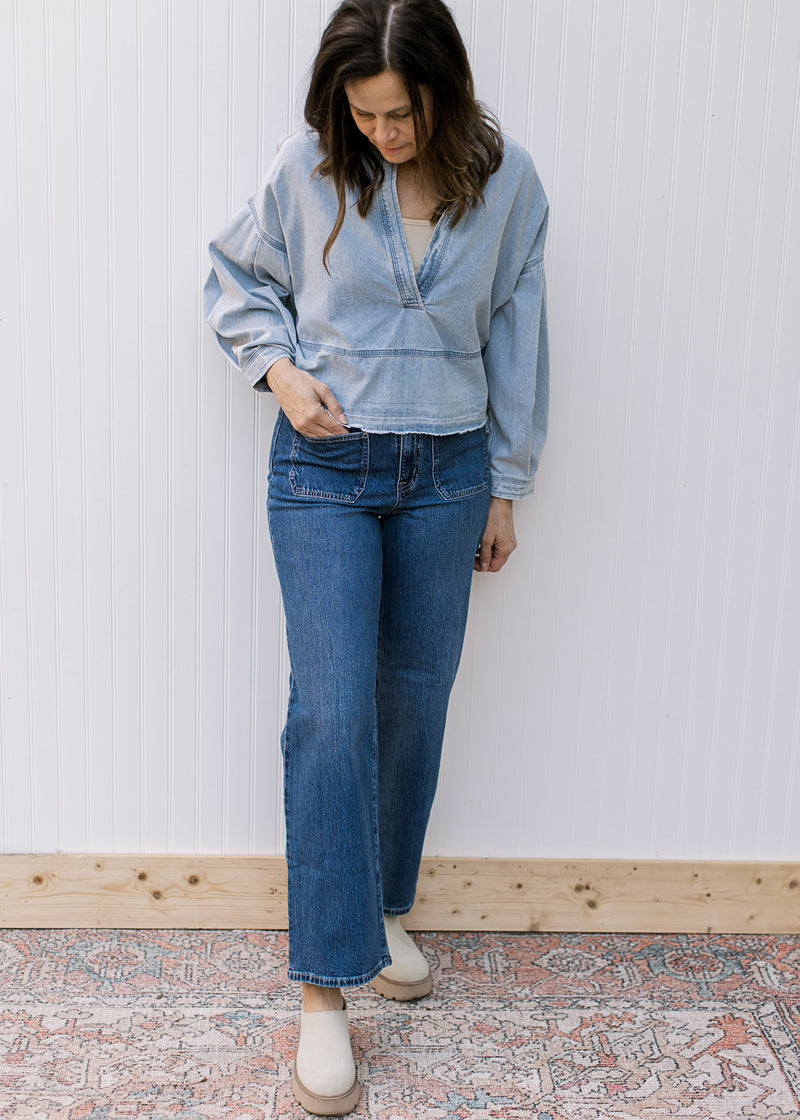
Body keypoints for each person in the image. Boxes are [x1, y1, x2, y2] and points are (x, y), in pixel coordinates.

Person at [204, 0, 549, 1112]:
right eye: (364, 116)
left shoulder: (507, 183)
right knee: (333, 712)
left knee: (413, 703)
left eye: (400, 114)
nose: (383, 135)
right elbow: (234, 281)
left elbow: (517, 326)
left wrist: (505, 481)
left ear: (442, 95)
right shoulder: (303, 174)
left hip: (447, 475)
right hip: (325, 472)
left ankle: (381, 904)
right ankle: (322, 988)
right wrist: (279, 372)